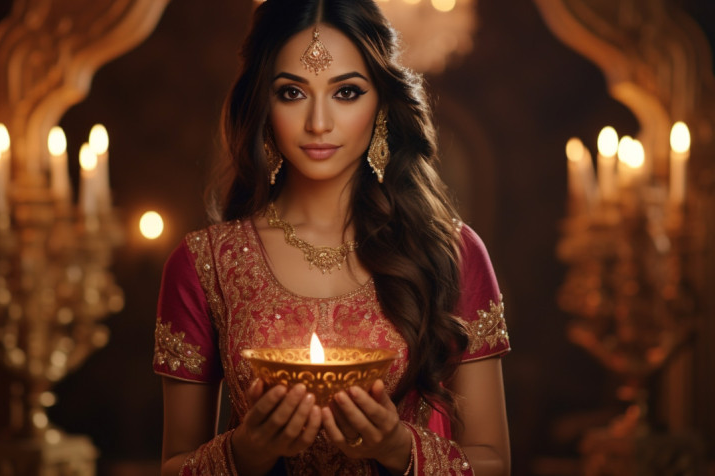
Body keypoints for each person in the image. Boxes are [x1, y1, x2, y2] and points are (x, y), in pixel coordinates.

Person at [153, 1, 510, 474]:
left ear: (381, 102)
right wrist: (245, 453)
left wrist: (398, 447)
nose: (318, 122)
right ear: (262, 102)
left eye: (345, 92)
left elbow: (495, 463)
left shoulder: (451, 252)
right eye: (291, 93)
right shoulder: (205, 264)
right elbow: (174, 463)